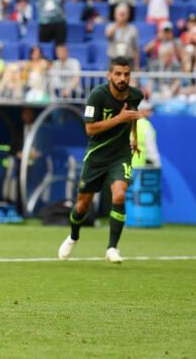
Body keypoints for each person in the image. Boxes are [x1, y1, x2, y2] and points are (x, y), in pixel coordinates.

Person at [58, 57, 144, 263]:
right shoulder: (97, 96)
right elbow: (90, 129)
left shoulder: (136, 95)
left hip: (120, 155)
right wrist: (119, 119)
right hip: (96, 156)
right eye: (118, 74)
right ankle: (73, 236)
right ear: (109, 76)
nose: (122, 78)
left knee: (119, 196)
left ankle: (112, 247)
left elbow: (131, 116)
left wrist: (134, 137)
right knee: (82, 207)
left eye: (126, 74)